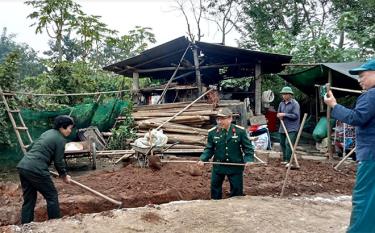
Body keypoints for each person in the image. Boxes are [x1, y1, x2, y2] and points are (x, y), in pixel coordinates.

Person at [324, 59, 375, 233]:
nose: (359, 80)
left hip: (371, 156)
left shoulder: (371, 95)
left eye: (362, 75)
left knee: (364, 198)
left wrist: (334, 105)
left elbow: (356, 118)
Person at [16, 115, 74, 224]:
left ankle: (25, 226)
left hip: (23, 166)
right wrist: (64, 175)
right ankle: (54, 224)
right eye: (70, 128)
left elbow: (31, 146)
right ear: (62, 127)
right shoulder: (61, 139)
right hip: (37, 169)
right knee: (52, 196)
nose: (70, 131)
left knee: (29, 199)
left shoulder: (47, 133)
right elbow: (58, 161)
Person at [197, 108, 254, 199]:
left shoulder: (240, 131)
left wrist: (249, 159)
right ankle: (216, 206)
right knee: (215, 187)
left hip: (235, 165)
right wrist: (203, 159)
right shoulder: (213, 132)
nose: (219, 121)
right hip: (219, 165)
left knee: (236, 189)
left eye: (222, 119)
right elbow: (209, 148)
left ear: (230, 119)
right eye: (218, 119)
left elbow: (248, 148)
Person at [277, 86, 300, 165]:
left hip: (292, 127)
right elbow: (278, 113)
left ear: (290, 95)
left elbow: (296, 116)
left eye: (285, 94)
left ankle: (289, 160)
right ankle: (285, 159)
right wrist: (279, 115)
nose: (283, 95)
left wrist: (285, 114)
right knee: (282, 143)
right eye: (283, 94)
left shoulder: (295, 104)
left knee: (288, 143)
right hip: (283, 127)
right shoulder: (281, 103)